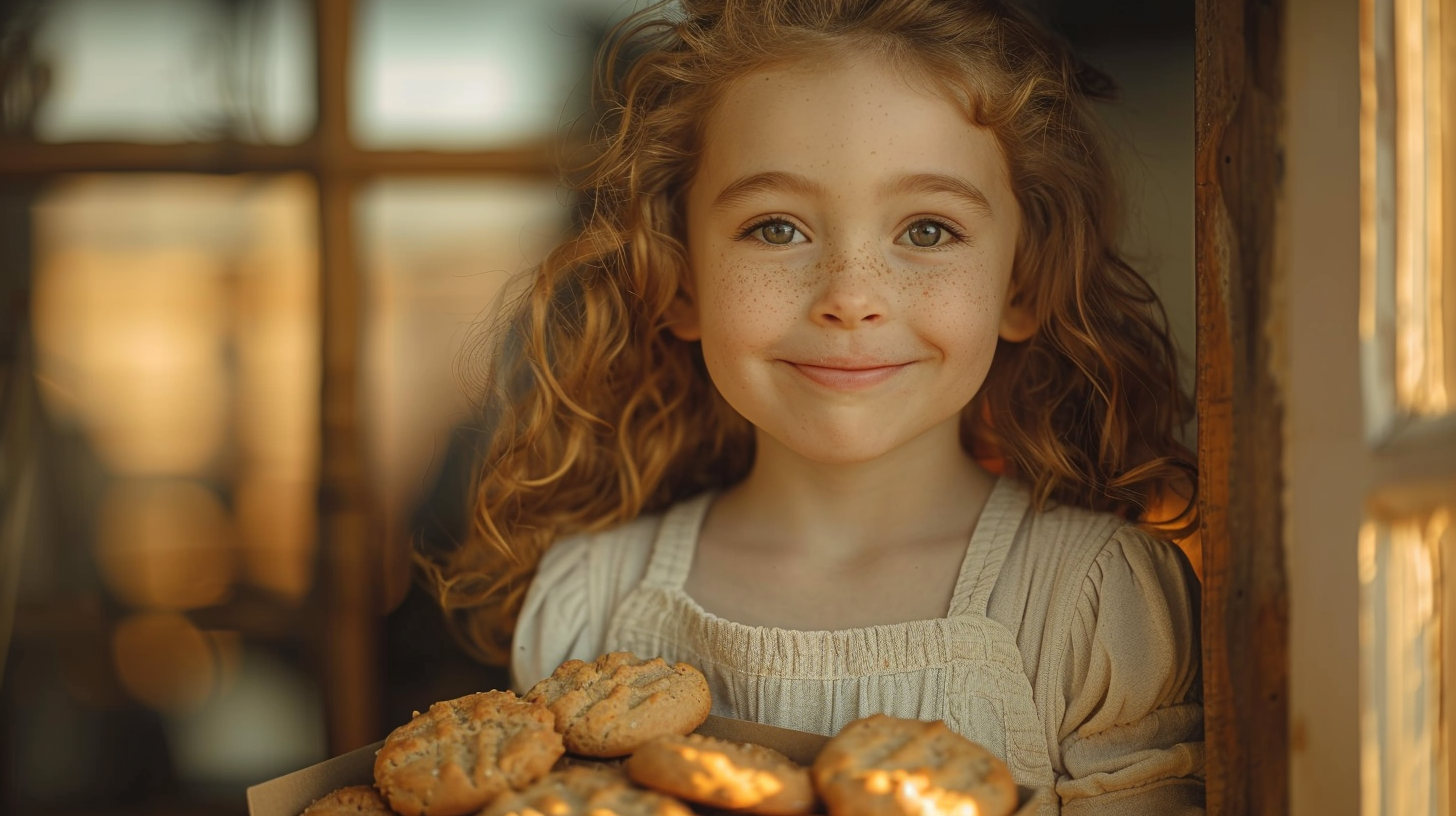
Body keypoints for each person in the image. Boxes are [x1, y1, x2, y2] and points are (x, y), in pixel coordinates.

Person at [418, 0, 1203, 812]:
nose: (850, 297)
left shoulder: (1092, 606)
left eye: (929, 231)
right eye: (776, 229)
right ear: (678, 278)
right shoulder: (589, 602)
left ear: (1025, 280)